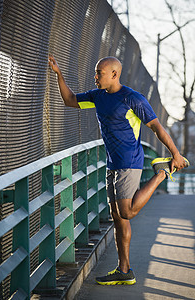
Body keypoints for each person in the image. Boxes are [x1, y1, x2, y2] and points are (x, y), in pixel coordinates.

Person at [48, 55, 189, 285]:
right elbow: (70, 100)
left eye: (99, 73)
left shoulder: (133, 98)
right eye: (96, 73)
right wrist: (59, 74)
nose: (95, 77)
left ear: (114, 74)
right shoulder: (98, 96)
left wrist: (175, 154)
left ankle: (161, 173)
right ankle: (124, 271)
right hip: (113, 163)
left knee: (127, 212)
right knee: (117, 218)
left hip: (129, 161)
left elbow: (156, 127)